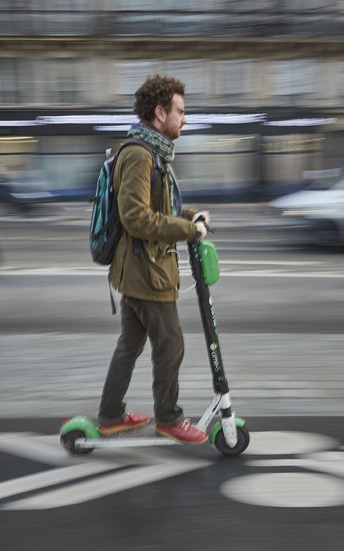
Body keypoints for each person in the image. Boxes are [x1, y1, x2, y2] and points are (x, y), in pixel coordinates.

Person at [96, 74, 211, 445]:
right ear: (160, 113)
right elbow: (136, 217)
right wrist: (188, 231)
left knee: (130, 345)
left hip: (139, 270)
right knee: (171, 344)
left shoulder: (153, 152)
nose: (185, 118)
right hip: (146, 273)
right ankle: (169, 418)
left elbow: (164, 208)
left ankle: (111, 415)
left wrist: (190, 216)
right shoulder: (139, 155)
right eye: (180, 110)